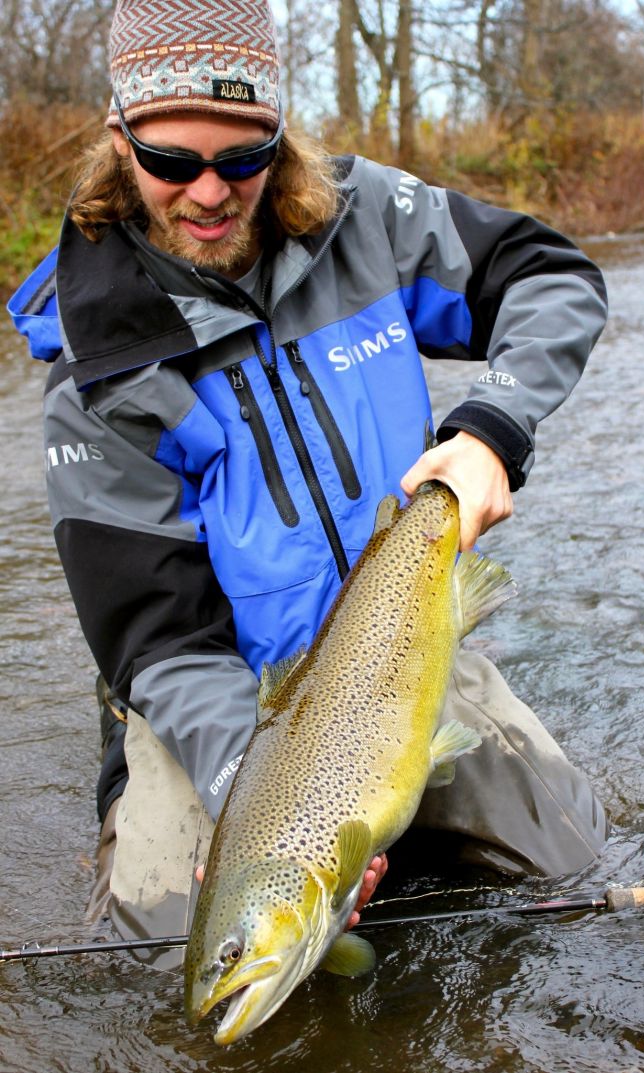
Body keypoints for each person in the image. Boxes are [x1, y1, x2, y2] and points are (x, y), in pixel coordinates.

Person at [9, 0, 609, 970]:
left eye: (241, 159)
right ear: (120, 141)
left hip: (395, 640)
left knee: (570, 877)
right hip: (224, 703)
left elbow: (547, 275)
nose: (208, 190)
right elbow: (158, 643)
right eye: (172, 162)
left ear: (279, 137)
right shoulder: (96, 369)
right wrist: (264, 787)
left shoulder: (361, 218)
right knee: (166, 963)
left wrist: (492, 428)